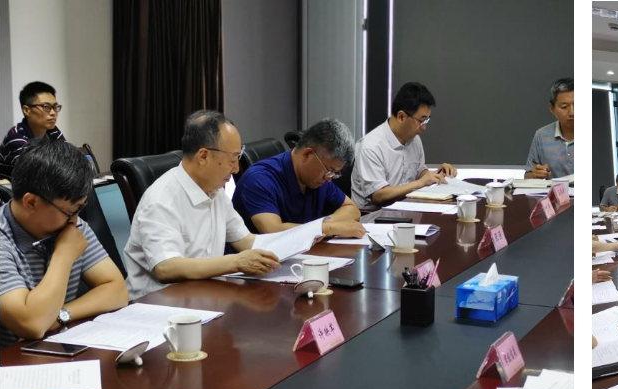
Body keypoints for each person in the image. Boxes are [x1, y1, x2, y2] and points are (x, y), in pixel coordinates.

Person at [122, 110, 281, 299]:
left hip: (206, 296)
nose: (236, 169)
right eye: (232, 160)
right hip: (161, 305)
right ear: (203, 156)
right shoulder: (161, 200)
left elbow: (245, 241)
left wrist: (295, 244)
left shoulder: (215, 190)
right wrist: (235, 262)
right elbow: (166, 267)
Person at [0, 140, 128, 346]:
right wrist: (64, 254)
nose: (76, 220)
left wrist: (60, 315)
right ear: (31, 202)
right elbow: (32, 324)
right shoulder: (3, 239)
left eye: (79, 209)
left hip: (56, 348)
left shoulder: (70, 224)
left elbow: (117, 290)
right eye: (71, 211)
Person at [233, 118, 364, 238]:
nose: (329, 178)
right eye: (329, 170)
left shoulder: (319, 177)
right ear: (307, 154)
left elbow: (352, 209)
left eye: (334, 173)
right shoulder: (259, 178)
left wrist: (325, 224)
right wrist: (329, 228)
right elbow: (273, 231)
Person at [351, 82, 457, 211]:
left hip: (406, 210)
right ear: (401, 116)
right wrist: (421, 183)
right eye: (421, 120)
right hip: (373, 216)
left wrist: (436, 175)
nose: (424, 127)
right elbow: (379, 196)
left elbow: (419, 173)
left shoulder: (414, 139)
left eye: (427, 120)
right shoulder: (371, 147)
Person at [2, 82, 67, 171]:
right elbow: (37, 172)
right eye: (46, 107)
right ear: (26, 110)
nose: (53, 113)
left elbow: (68, 160)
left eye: (55, 107)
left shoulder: (53, 132)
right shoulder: (16, 137)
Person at [525, 78, 573, 179]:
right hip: (554, 189)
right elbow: (527, 176)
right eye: (564, 107)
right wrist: (535, 174)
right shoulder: (542, 135)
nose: (572, 112)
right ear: (552, 108)